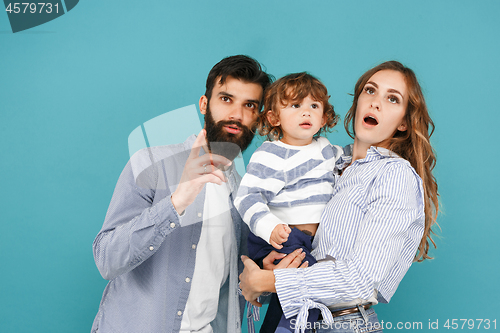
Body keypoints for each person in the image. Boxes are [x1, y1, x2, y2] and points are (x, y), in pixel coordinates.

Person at [239, 61, 439, 333]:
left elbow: (360, 281)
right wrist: (267, 268)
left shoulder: (393, 175)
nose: (376, 103)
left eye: (392, 98)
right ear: (357, 102)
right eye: (370, 91)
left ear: (404, 122)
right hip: (298, 317)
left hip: (342, 324)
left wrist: (266, 282)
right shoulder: (327, 160)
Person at [91, 55, 272, 333]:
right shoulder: (150, 164)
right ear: (204, 104)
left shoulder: (245, 192)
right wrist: (177, 201)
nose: (236, 114)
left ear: (258, 117)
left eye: (249, 105)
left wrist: (261, 274)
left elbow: (236, 284)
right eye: (226, 99)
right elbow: (107, 260)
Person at [234, 73, 342, 333]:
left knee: (298, 285)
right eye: (295, 106)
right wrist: (270, 227)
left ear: (324, 117)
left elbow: (353, 161)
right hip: (279, 237)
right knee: (308, 280)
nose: (306, 112)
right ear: (274, 118)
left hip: (307, 241)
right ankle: (286, 328)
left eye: (314, 106)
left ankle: (282, 326)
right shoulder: (272, 154)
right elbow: (247, 196)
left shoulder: (327, 149)